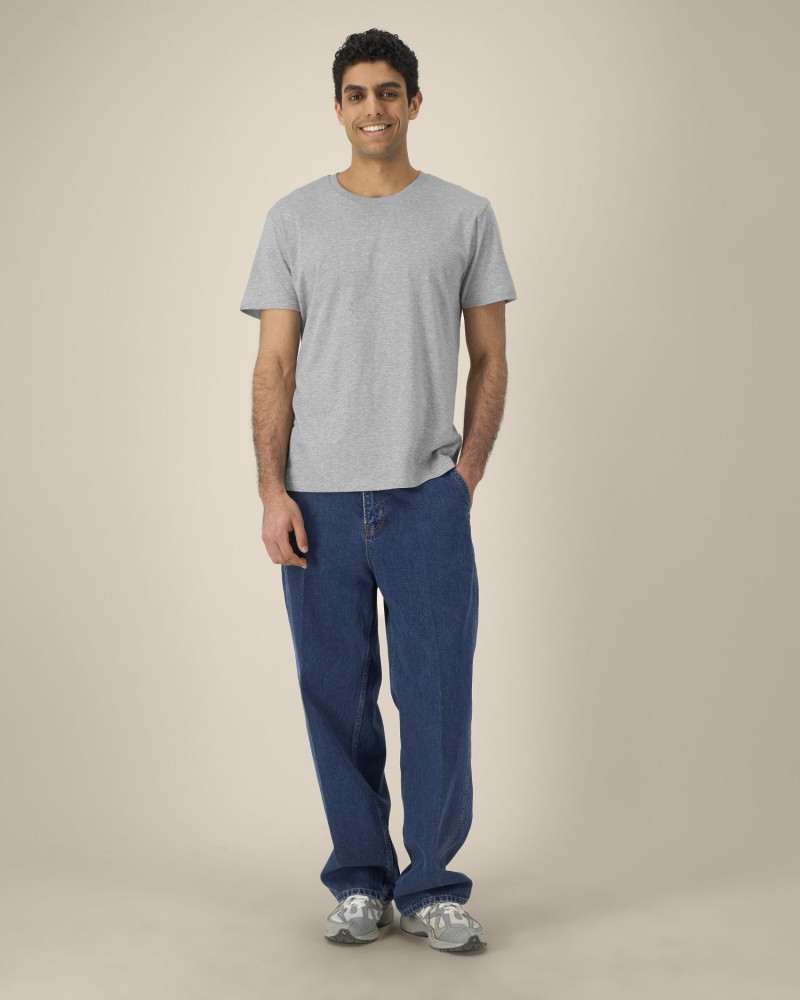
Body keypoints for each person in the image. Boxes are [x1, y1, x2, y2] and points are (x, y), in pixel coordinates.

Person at [239, 28, 517, 954]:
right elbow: (274, 366)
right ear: (338, 107)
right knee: (338, 700)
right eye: (357, 94)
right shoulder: (293, 219)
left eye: (389, 92)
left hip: (425, 497)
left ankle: (432, 885)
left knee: (437, 697)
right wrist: (272, 491)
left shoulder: (465, 215)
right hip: (316, 500)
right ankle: (361, 878)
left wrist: (463, 478)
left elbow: (491, 358)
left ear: (414, 102)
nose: (374, 109)